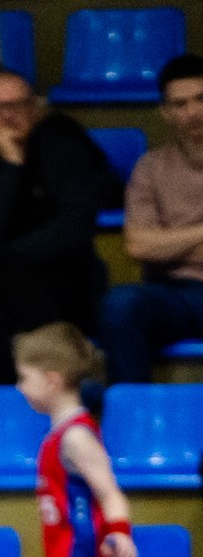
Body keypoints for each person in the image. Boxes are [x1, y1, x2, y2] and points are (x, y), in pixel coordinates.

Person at [0, 72, 115, 386]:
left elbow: (74, 227)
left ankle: (15, 425)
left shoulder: (64, 151)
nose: (7, 115)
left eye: (17, 106)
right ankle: (70, 375)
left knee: (0, 323)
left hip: (60, 283)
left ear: (34, 109)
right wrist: (11, 165)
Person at [14, 323, 143, 557]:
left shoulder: (76, 438)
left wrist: (120, 533)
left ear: (52, 380)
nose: (19, 387)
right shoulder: (61, 435)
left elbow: (109, 493)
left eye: (24, 377)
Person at [96, 55, 203, 391]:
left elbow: (154, 244)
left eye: (201, 100)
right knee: (121, 305)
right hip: (172, 294)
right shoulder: (150, 167)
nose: (193, 112)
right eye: (180, 104)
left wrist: (169, 244)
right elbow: (138, 245)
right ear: (166, 113)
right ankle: (134, 424)